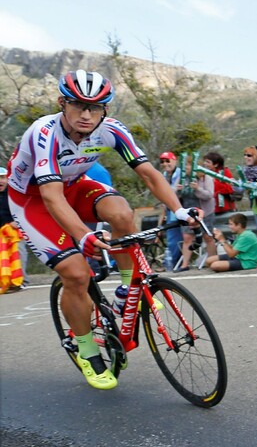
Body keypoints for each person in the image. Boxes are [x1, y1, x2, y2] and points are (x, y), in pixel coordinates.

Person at [6, 70, 198, 389]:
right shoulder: (45, 132)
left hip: (73, 185)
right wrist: (84, 235)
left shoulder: (110, 130)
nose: (86, 114)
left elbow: (150, 174)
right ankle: (85, 349)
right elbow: (51, 198)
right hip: (32, 200)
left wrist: (179, 209)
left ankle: (126, 291)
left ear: (105, 110)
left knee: (121, 213)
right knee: (77, 274)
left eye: (95, 108)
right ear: (61, 104)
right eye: (78, 105)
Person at [176, 159, 215, 272]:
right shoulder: (183, 179)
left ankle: (212, 261)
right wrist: (178, 191)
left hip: (204, 211)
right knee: (187, 237)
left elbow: (209, 195)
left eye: (188, 166)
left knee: (208, 237)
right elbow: (175, 196)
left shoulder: (205, 178)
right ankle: (184, 264)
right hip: (188, 211)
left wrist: (197, 189)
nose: (186, 169)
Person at [0, 166, 26, 294]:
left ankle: (20, 281)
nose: (0, 181)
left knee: (18, 251)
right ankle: (6, 282)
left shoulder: (13, 192)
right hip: (2, 229)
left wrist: (15, 221)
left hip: (14, 229)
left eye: (2, 178)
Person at [157, 152, 184, 271]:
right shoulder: (164, 176)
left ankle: (176, 262)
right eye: (162, 162)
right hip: (169, 209)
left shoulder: (180, 174)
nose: (165, 164)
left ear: (175, 161)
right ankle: (173, 262)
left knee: (176, 238)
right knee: (172, 238)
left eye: (168, 161)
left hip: (180, 209)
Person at [203, 151, 237, 216]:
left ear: (216, 164)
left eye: (208, 162)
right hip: (210, 208)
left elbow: (230, 188)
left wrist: (214, 182)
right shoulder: (204, 173)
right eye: (205, 161)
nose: (205, 164)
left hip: (225, 207)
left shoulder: (224, 172)